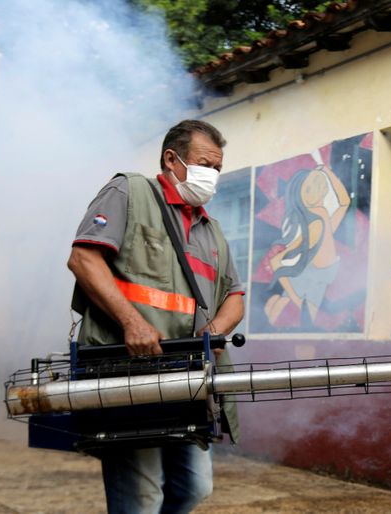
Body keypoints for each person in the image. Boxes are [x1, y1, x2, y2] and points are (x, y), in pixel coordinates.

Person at [67, 119, 245, 513]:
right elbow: (84, 258)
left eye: (217, 169)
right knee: (142, 496)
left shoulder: (210, 230)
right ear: (172, 159)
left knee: (195, 487)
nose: (212, 176)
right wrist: (132, 322)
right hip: (127, 372)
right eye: (204, 164)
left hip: (187, 379)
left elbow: (234, 295)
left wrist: (211, 335)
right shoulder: (129, 191)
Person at [264, 164, 351, 327]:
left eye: (320, 184)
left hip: (319, 276)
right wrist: (295, 298)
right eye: (310, 188)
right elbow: (276, 262)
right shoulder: (315, 224)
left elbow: (344, 202)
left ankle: (276, 305)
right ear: (300, 197)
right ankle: (276, 305)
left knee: (296, 320)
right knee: (289, 320)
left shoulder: (323, 218)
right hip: (309, 278)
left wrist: (327, 172)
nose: (318, 189)